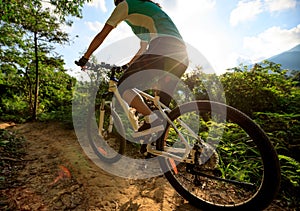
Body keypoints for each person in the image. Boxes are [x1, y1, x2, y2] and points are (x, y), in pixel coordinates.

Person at [75, 0, 189, 138]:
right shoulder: (146, 12)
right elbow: (142, 49)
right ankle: (156, 148)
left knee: (123, 86)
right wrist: (128, 65)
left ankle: (151, 119)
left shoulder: (126, 4)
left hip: (162, 48)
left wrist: (85, 57)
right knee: (162, 111)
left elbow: (102, 34)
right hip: (181, 55)